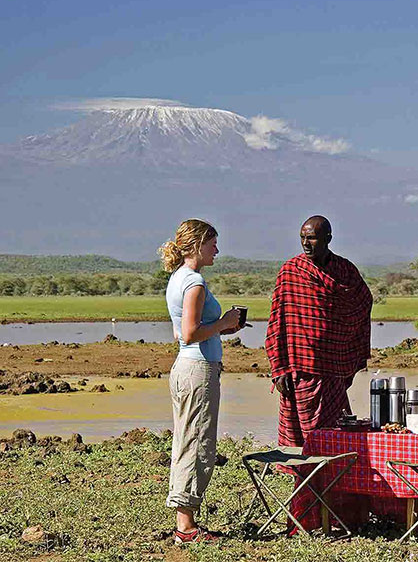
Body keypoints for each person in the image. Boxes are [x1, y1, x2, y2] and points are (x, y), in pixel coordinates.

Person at [158, 218, 242, 544]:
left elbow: (180, 332)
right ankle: (186, 527)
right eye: (212, 244)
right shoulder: (194, 282)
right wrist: (224, 322)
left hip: (185, 367)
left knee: (186, 440)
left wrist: (221, 327)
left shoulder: (177, 278)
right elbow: (191, 333)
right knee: (198, 444)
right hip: (198, 370)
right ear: (197, 245)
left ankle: (185, 520)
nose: (216, 250)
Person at [266, 215, 373, 447]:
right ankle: (303, 470)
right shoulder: (291, 271)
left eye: (312, 238)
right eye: (302, 238)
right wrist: (279, 368)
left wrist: (343, 345)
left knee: (335, 432)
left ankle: (333, 470)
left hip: (333, 366)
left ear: (328, 239)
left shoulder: (345, 271)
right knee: (300, 436)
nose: (306, 243)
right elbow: (277, 322)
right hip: (299, 368)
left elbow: (363, 301)